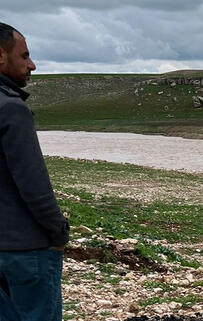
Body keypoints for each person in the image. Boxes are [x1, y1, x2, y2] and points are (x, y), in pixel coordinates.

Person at [0, 22, 70, 321]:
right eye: (24, 55)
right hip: (26, 249)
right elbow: (33, 185)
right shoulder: (11, 108)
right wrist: (59, 230)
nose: (32, 65)